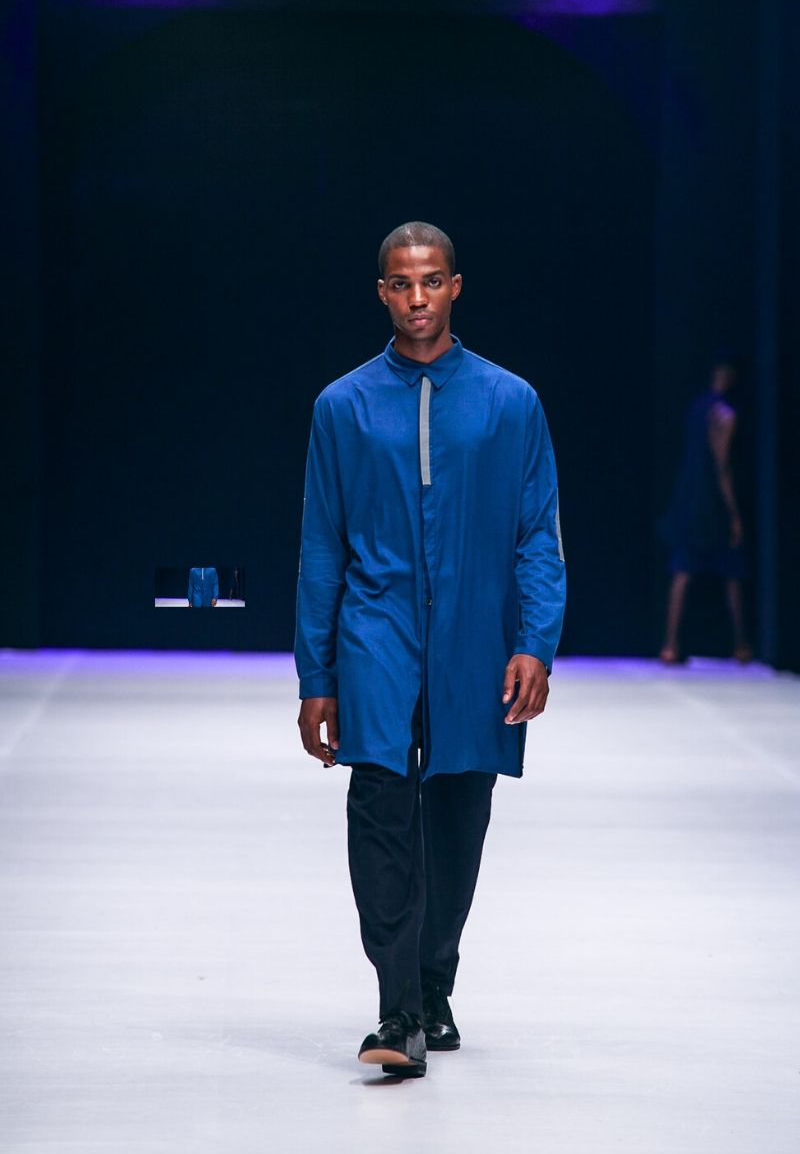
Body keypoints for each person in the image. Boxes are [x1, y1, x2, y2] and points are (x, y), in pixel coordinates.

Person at [295, 221, 566, 1079]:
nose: (418, 297)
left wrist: (536, 642)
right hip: (375, 631)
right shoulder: (342, 406)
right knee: (378, 804)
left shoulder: (509, 402)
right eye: (402, 283)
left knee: (457, 813)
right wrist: (316, 675)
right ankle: (399, 1008)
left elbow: (538, 532)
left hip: (475, 636)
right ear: (383, 292)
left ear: (455, 286)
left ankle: (433, 981)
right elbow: (322, 545)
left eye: (432, 280)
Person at [659, 361, 751, 663]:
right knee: (731, 569)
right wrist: (734, 513)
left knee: (684, 568)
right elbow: (721, 465)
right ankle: (740, 644)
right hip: (711, 502)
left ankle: (670, 644)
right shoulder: (723, 413)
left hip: (689, 497)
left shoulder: (696, 408)